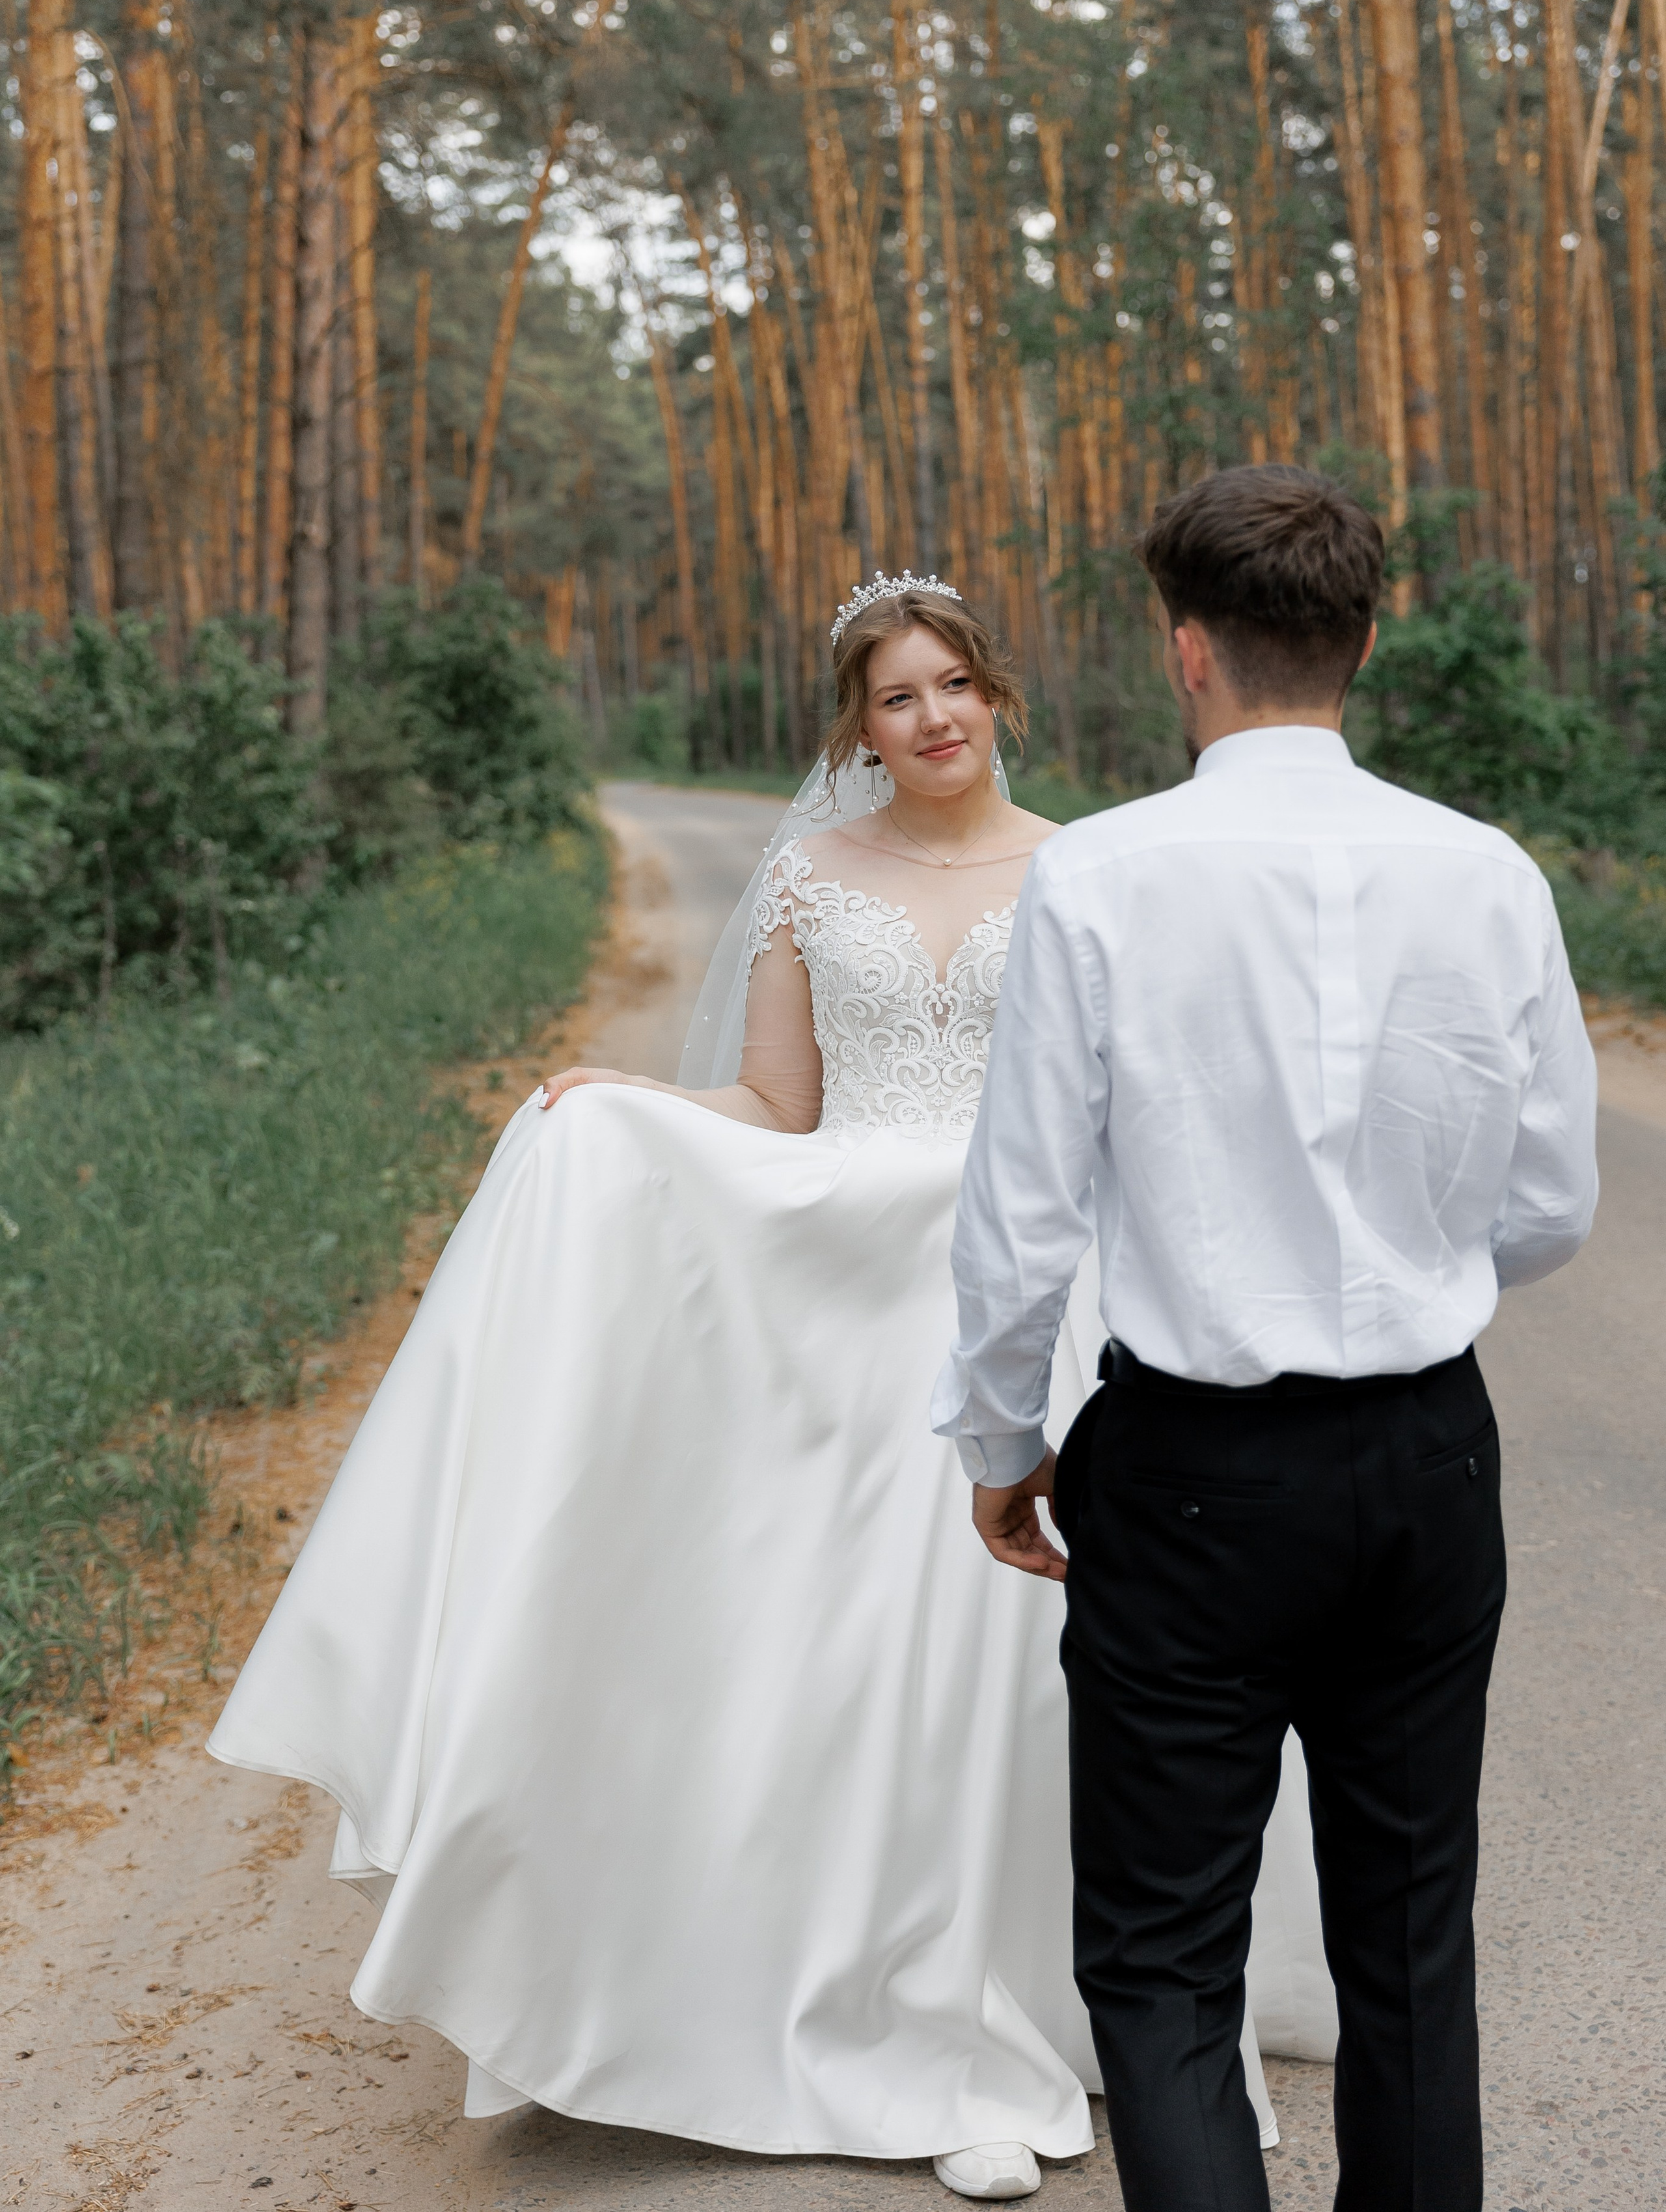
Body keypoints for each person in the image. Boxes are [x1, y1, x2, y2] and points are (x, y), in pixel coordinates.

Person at [210, 574, 1331, 2202]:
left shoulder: (1091, 871)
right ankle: (895, 2017)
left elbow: (1134, 1108)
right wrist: (616, 1108)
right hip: (854, 1293)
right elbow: (776, 1105)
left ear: (996, 693)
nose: (930, 717)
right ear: (854, 726)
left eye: (951, 683)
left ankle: (1028, 2010)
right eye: (893, 697)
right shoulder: (809, 875)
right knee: (862, 1654)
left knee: (1028, 1661)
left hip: (1033, 1285)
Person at [933, 467, 1600, 2212]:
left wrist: (1007, 1449)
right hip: (1430, 1456)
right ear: (1366, 641)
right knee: (1407, 1948)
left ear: (1186, 651)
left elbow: (1019, 1223)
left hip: (1192, 1475)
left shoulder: (1096, 880)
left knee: (1162, 1964)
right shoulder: (1490, 875)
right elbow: (1550, 1208)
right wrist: (1392, 1276)